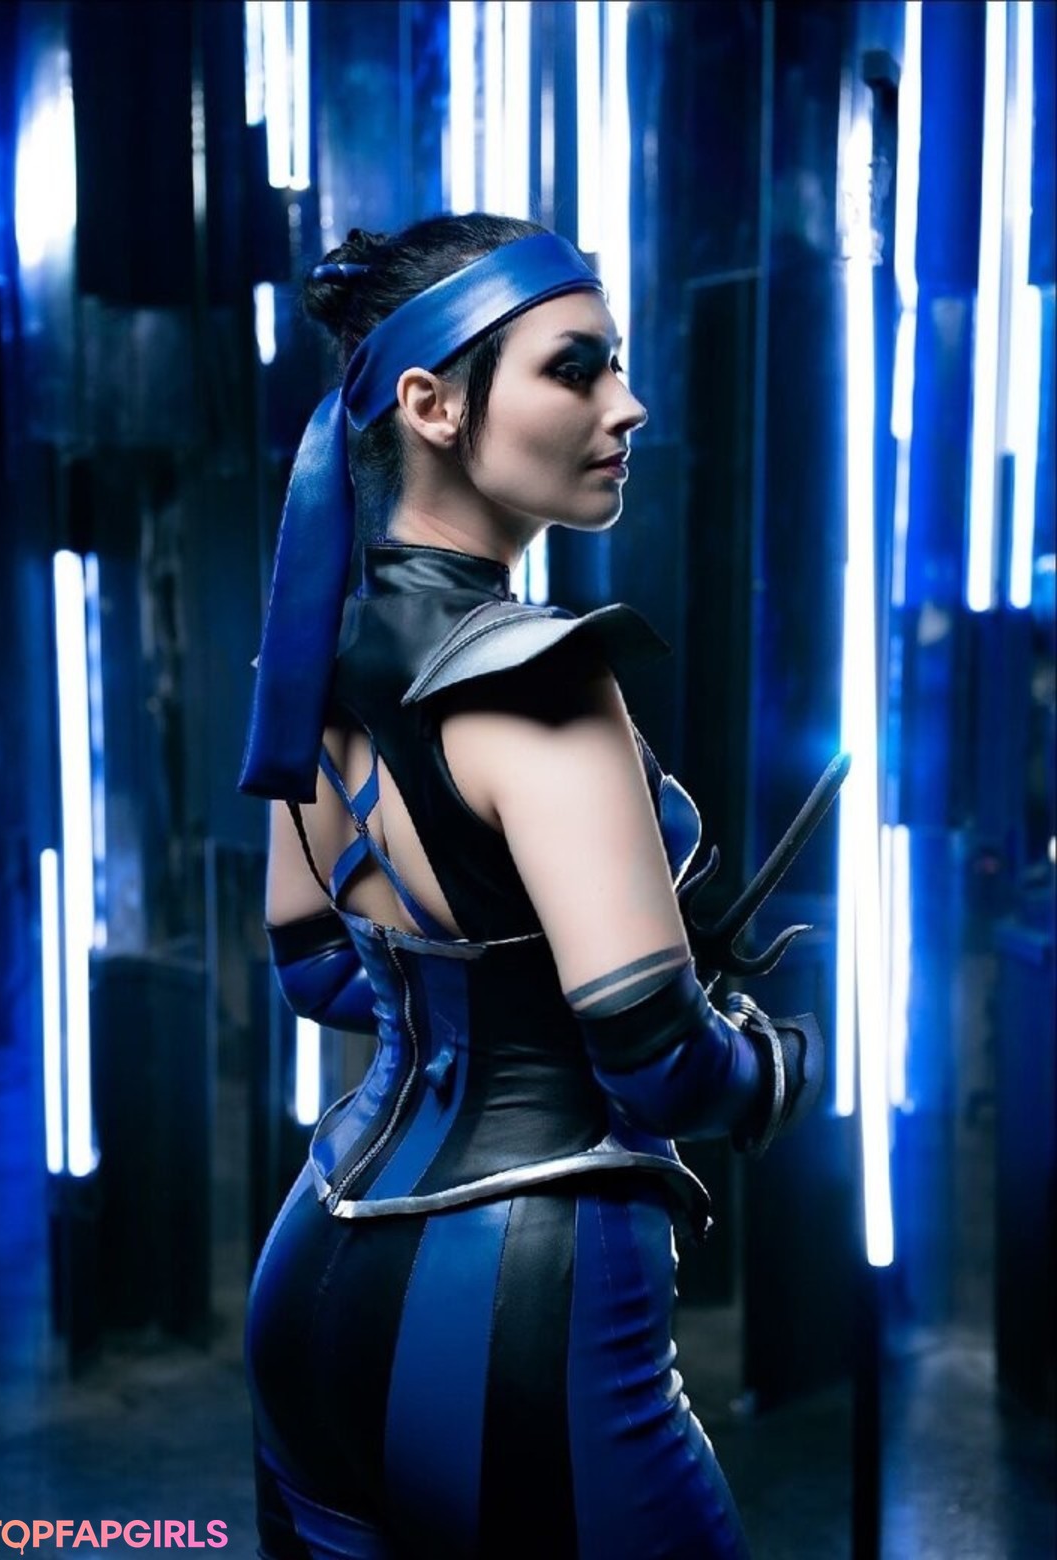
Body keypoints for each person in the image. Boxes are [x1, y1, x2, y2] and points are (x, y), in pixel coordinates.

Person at [240, 213, 822, 1560]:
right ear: (432, 405)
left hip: (316, 1266)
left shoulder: (315, 660)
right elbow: (659, 1066)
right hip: (519, 1308)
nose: (628, 403)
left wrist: (501, 996)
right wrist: (781, 1063)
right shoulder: (545, 681)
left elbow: (318, 968)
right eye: (576, 368)